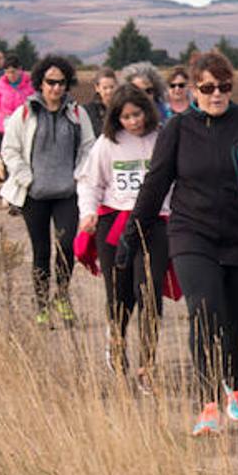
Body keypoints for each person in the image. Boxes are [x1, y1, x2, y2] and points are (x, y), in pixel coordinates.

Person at [128, 51, 238, 433]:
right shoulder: (178, 129)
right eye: (207, 88)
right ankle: (207, 404)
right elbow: (155, 184)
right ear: (193, 89)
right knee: (205, 311)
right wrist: (132, 234)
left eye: (224, 87)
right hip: (192, 232)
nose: (217, 94)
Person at [75, 84, 171, 387]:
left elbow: (176, 181)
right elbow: (90, 183)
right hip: (114, 221)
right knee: (120, 292)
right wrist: (87, 213)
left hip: (155, 222)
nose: (133, 122)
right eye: (126, 117)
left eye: (137, 114)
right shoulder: (107, 144)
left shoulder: (162, 139)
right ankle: (116, 344)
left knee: (150, 293)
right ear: (117, 118)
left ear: (147, 111)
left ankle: (147, 362)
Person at [0, 55, 96, 324]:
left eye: (61, 83)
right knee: (41, 251)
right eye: (50, 82)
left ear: (67, 85)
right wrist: (25, 177)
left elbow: (90, 147)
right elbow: (9, 148)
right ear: (40, 83)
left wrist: (79, 174)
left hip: (67, 193)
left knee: (66, 247)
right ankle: (42, 306)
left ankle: (62, 297)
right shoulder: (25, 113)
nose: (55, 88)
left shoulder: (77, 113)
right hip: (35, 195)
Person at [0, 54, 33, 153]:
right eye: (7, 72)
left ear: (20, 69)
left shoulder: (30, 86)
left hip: (23, 130)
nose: (10, 75)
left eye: (13, 72)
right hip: (3, 130)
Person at [83, 67, 117, 135]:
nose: (109, 91)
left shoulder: (123, 107)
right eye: (105, 88)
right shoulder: (88, 110)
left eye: (112, 87)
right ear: (97, 88)